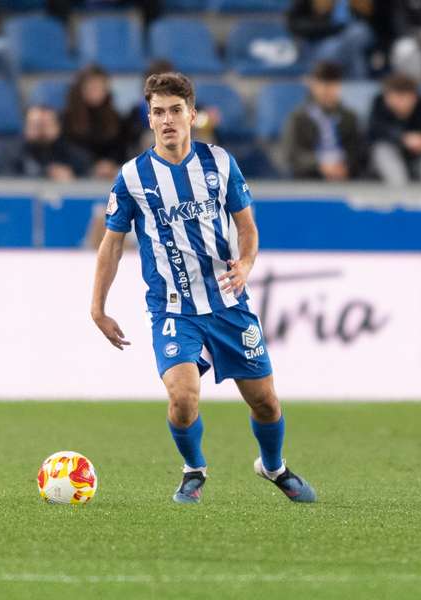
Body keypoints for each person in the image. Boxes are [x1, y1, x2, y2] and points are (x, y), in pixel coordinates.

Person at [90, 71, 316, 505]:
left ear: (193, 115)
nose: (168, 120)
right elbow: (111, 245)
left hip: (229, 302)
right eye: (159, 112)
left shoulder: (220, 163)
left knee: (266, 403)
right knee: (182, 398)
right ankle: (194, 471)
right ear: (149, 118)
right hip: (174, 309)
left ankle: (273, 467)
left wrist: (247, 263)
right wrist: (97, 307)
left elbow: (247, 227)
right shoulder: (133, 177)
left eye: (176, 110)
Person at [281, 61, 363, 180]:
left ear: (339, 86)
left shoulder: (349, 117)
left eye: (331, 85)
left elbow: (357, 151)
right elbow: (291, 153)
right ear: (313, 85)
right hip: (309, 178)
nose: (326, 90)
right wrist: (319, 165)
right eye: (322, 84)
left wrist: (345, 166)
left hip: (346, 177)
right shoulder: (298, 117)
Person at [369, 73, 421, 185]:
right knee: (382, 149)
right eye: (395, 97)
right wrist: (403, 138)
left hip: (419, 158)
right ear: (387, 97)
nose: (400, 103)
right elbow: (374, 131)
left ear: (414, 97)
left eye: (404, 98)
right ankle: (400, 194)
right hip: (389, 160)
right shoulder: (378, 105)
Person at [0, 105, 91, 180]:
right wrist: (45, 175)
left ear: (57, 127)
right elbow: (8, 181)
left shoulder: (74, 154)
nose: (41, 131)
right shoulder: (10, 153)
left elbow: (86, 175)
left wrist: (72, 178)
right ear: (26, 127)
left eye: (46, 125)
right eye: (36, 125)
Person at [286, 0, 375, 79]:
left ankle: (358, 86)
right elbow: (295, 25)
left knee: (359, 34)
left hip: (348, 45)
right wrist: (329, 27)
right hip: (318, 45)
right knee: (335, 49)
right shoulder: (305, 4)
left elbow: (370, 30)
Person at [62, 64, 123, 179]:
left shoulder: (116, 118)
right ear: (81, 89)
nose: (96, 90)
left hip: (110, 175)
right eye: (91, 86)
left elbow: (120, 148)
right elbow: (66, 149)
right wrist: (92, 166)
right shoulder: (67, 118)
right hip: (78, 175)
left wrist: (110, 164)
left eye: (100, 86)